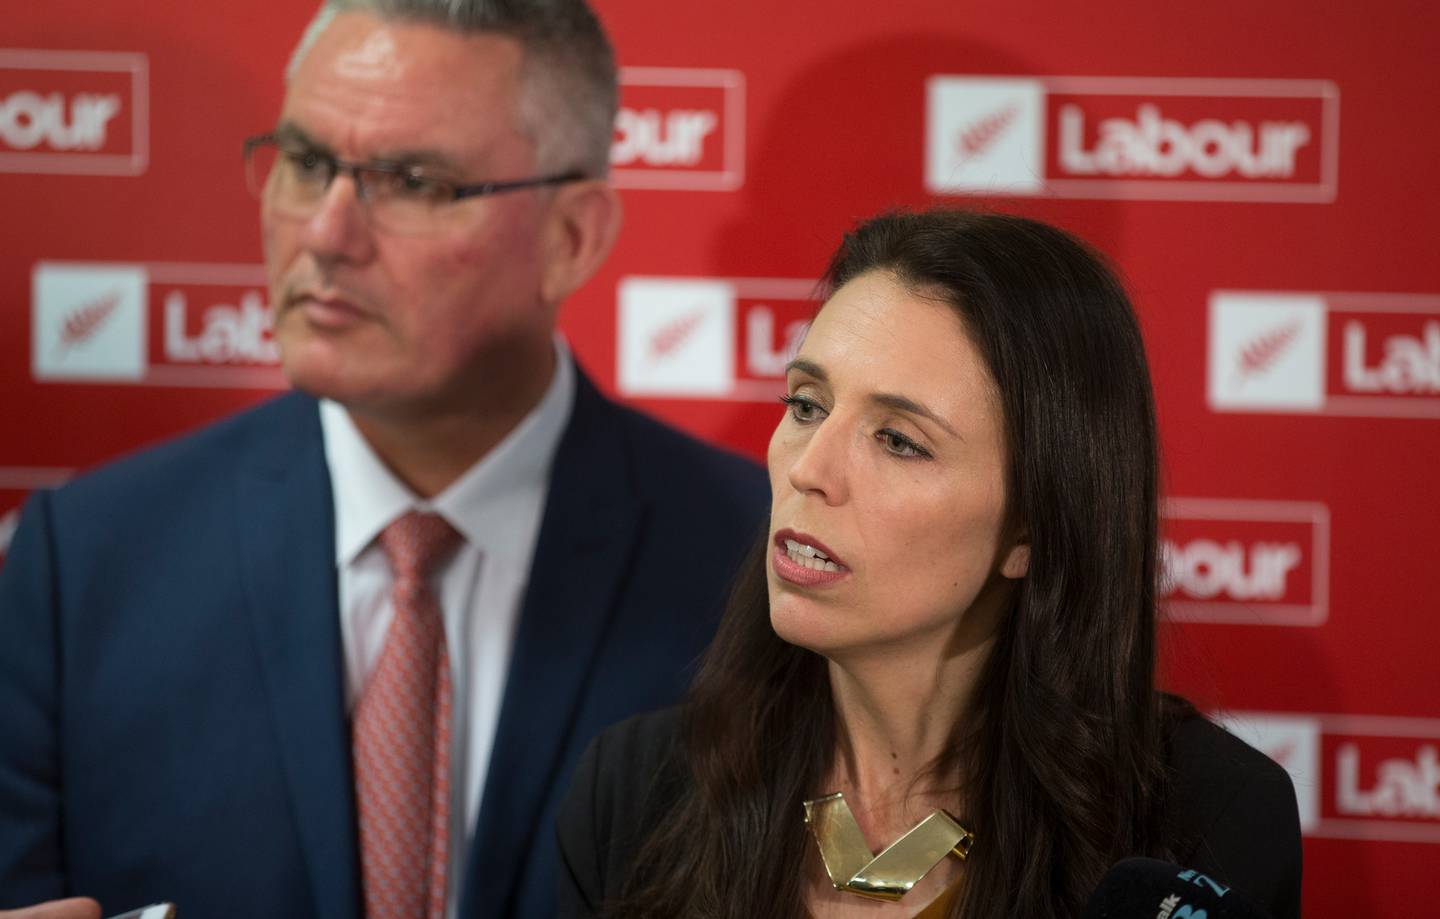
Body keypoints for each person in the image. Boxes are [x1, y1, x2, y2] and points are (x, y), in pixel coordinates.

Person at [0, 1, 767, 917]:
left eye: (412, 181)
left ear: (572, 238)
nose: (326, 233)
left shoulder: (756, 560)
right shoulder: (83, 563)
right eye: (307, 163)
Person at [556, 209, 1303, 919]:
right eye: (808, 404)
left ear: (1034, 528)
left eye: (898, 440)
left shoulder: (1206, 818)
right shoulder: (633, 793)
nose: (809, 467)